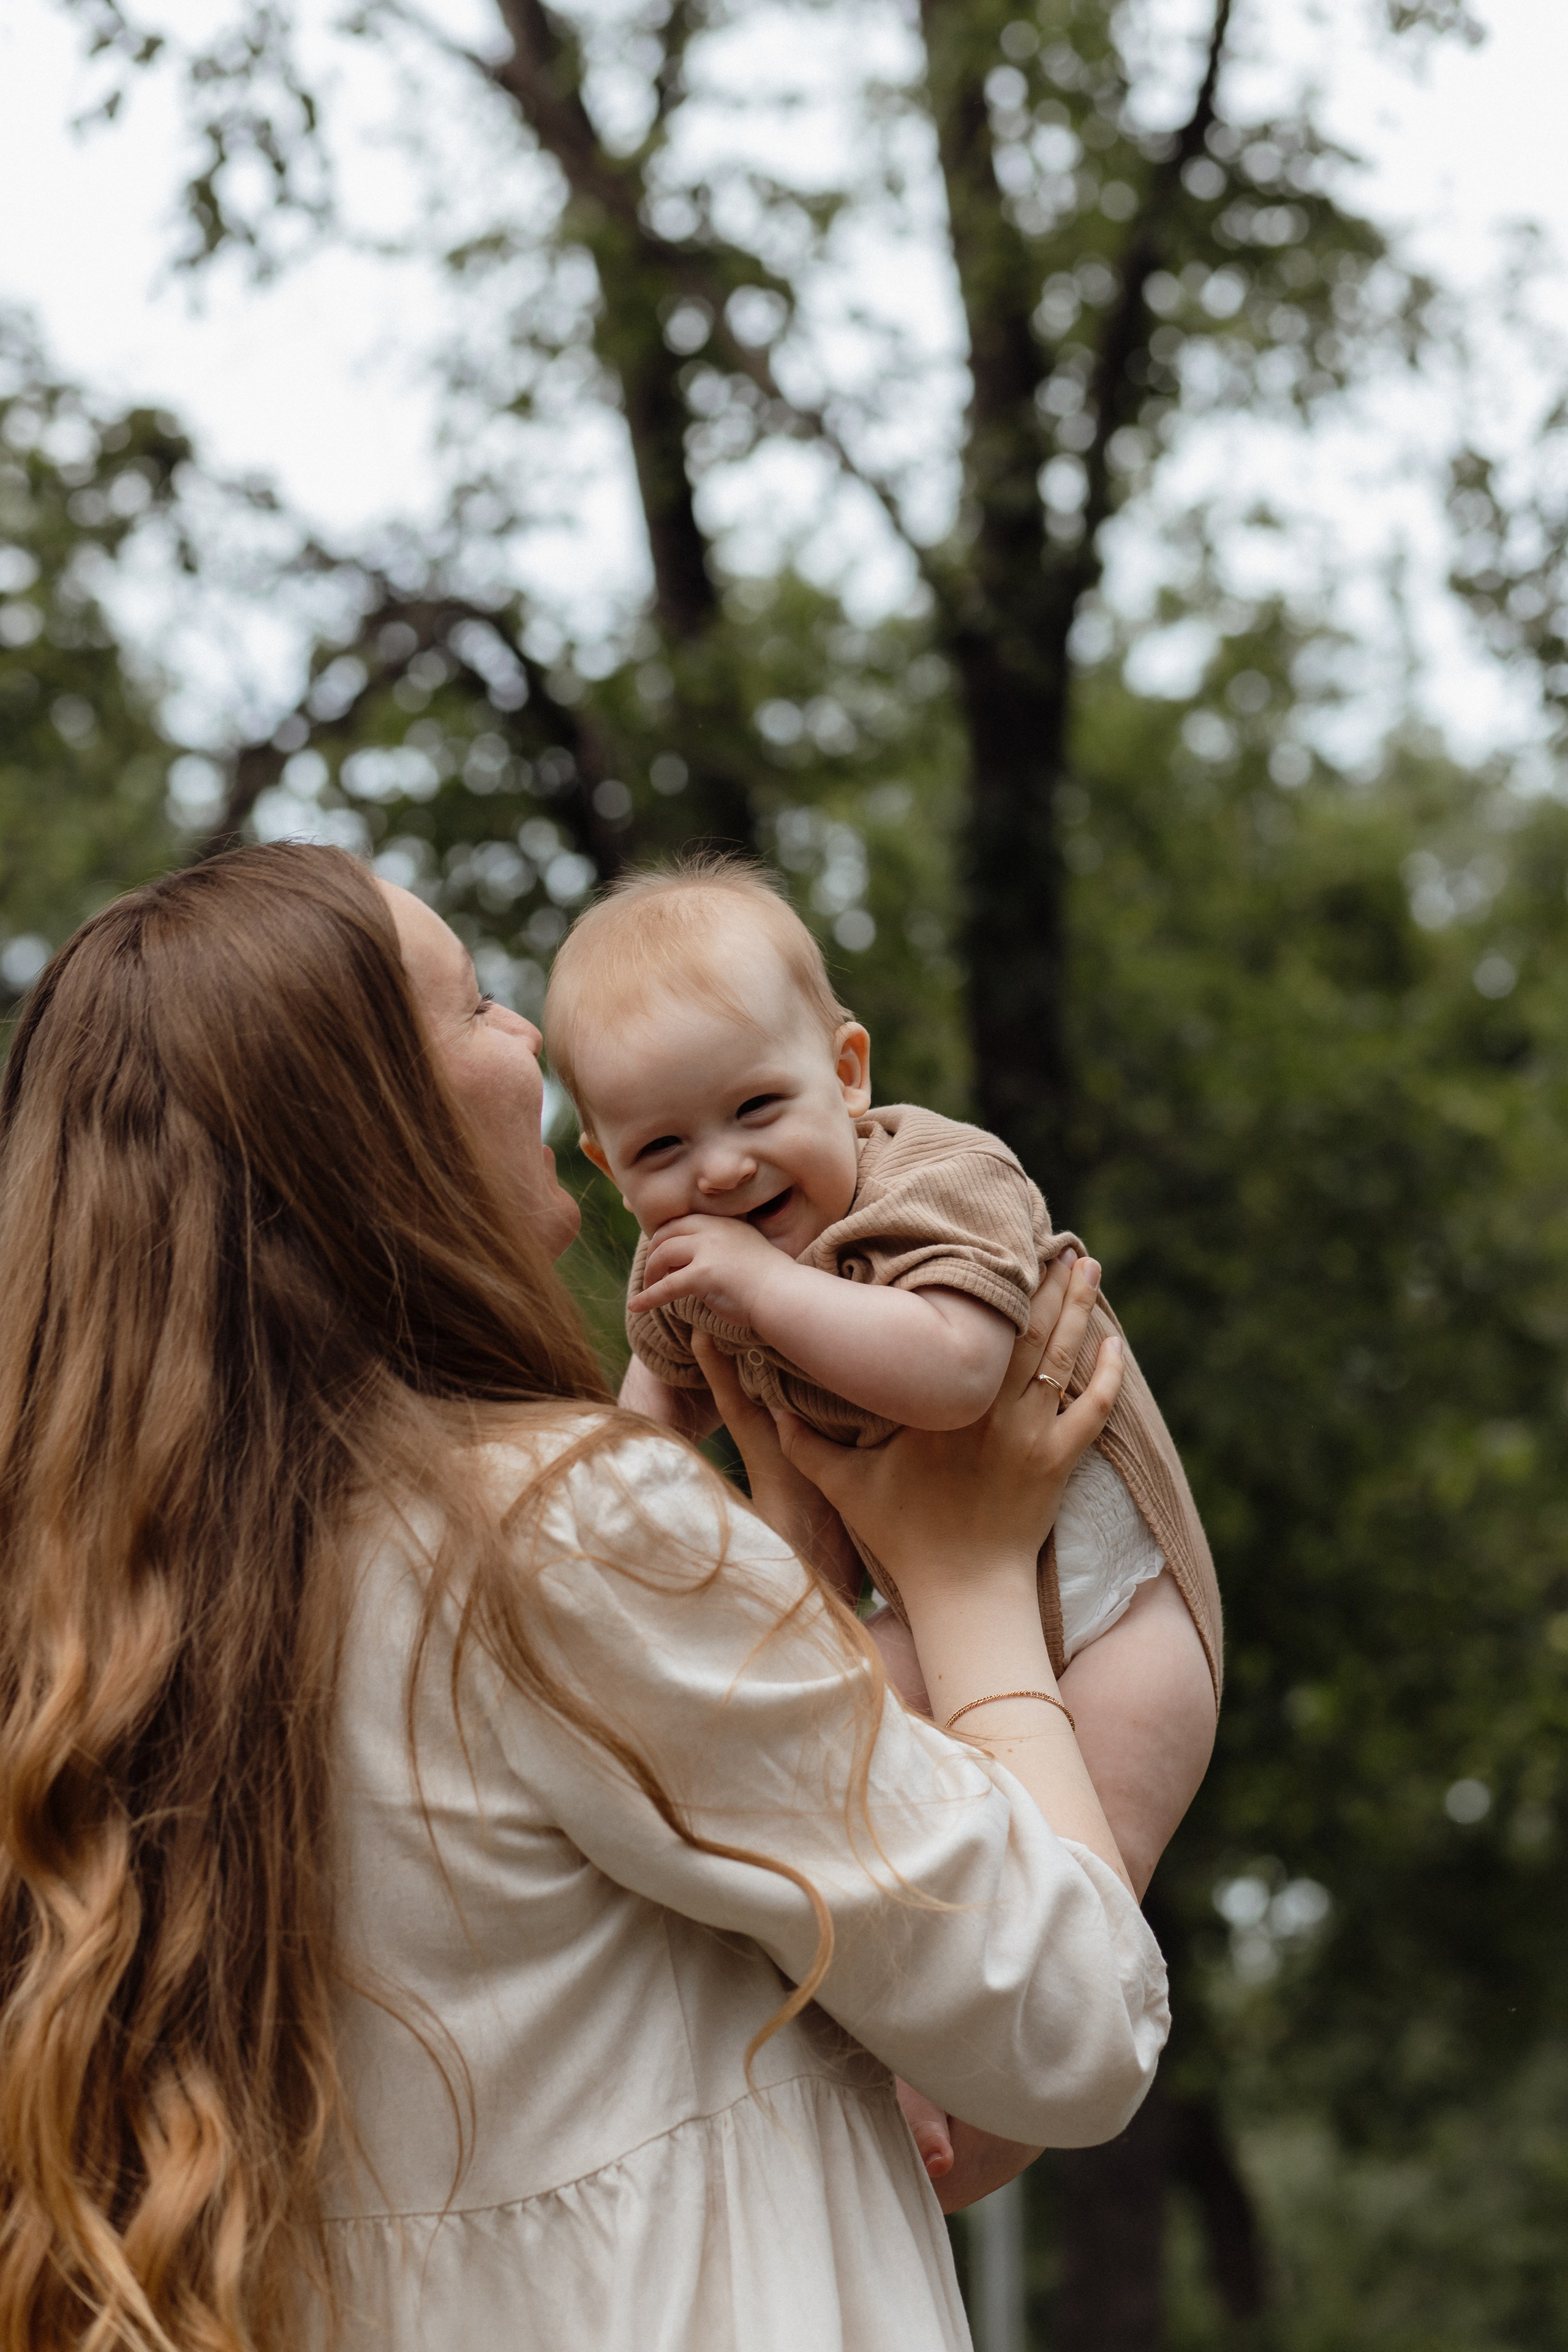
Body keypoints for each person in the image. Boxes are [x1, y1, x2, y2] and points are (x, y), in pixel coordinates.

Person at [0, 842, 1167, 2352]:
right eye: (474, 1004)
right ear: (369, 1125)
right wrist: (967, 1575)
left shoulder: (115, 1628)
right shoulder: (552, 1534)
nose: (531, 1039)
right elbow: (1068, 2021)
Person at [543, 858, 1219, 1909]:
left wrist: (765, 1290)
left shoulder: (942, 1177)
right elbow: (648, 1439)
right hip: (916, 1606)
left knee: (1089, 1893)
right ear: (606, 1163)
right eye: (663, 1146)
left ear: (846, 1072)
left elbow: (957, 1377)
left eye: (758, 1107)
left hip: (1122, 1601)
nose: (720, 1171)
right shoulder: (684, 1264)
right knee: (865, 1831)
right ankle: (911, 2074)